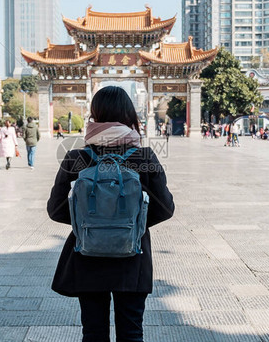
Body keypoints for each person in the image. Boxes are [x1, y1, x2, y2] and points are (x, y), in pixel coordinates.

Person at [47, 86, 174, 342]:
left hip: (87, 256)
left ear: (94, 115)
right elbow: (165, 208)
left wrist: (90, 222)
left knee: (93, 332)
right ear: (129, 116)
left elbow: (56, 210)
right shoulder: (145, 157)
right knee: (131, 331)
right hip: (133, 257)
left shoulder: (76, 158)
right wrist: (132, 223)